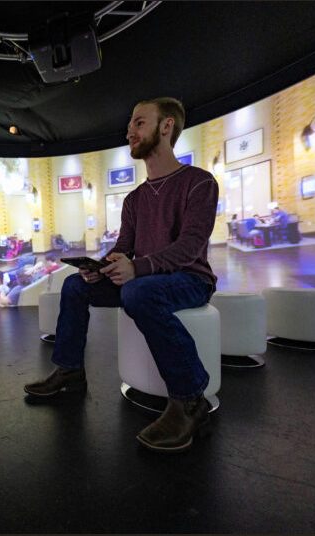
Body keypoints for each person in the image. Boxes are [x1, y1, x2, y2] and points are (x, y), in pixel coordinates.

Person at [23, 97, 219, 454]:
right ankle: (69, 373)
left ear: (166, 126)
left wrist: (137, 269)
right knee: (74, 286)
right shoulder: (134, 199)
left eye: (139, 123)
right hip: (144, 280)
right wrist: (102, 267)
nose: (129, 131)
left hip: (190, 279)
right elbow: (124, 248)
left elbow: (190, 248)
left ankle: (191, 400)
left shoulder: (199, 183)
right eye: (130, 125)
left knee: (137, 294)